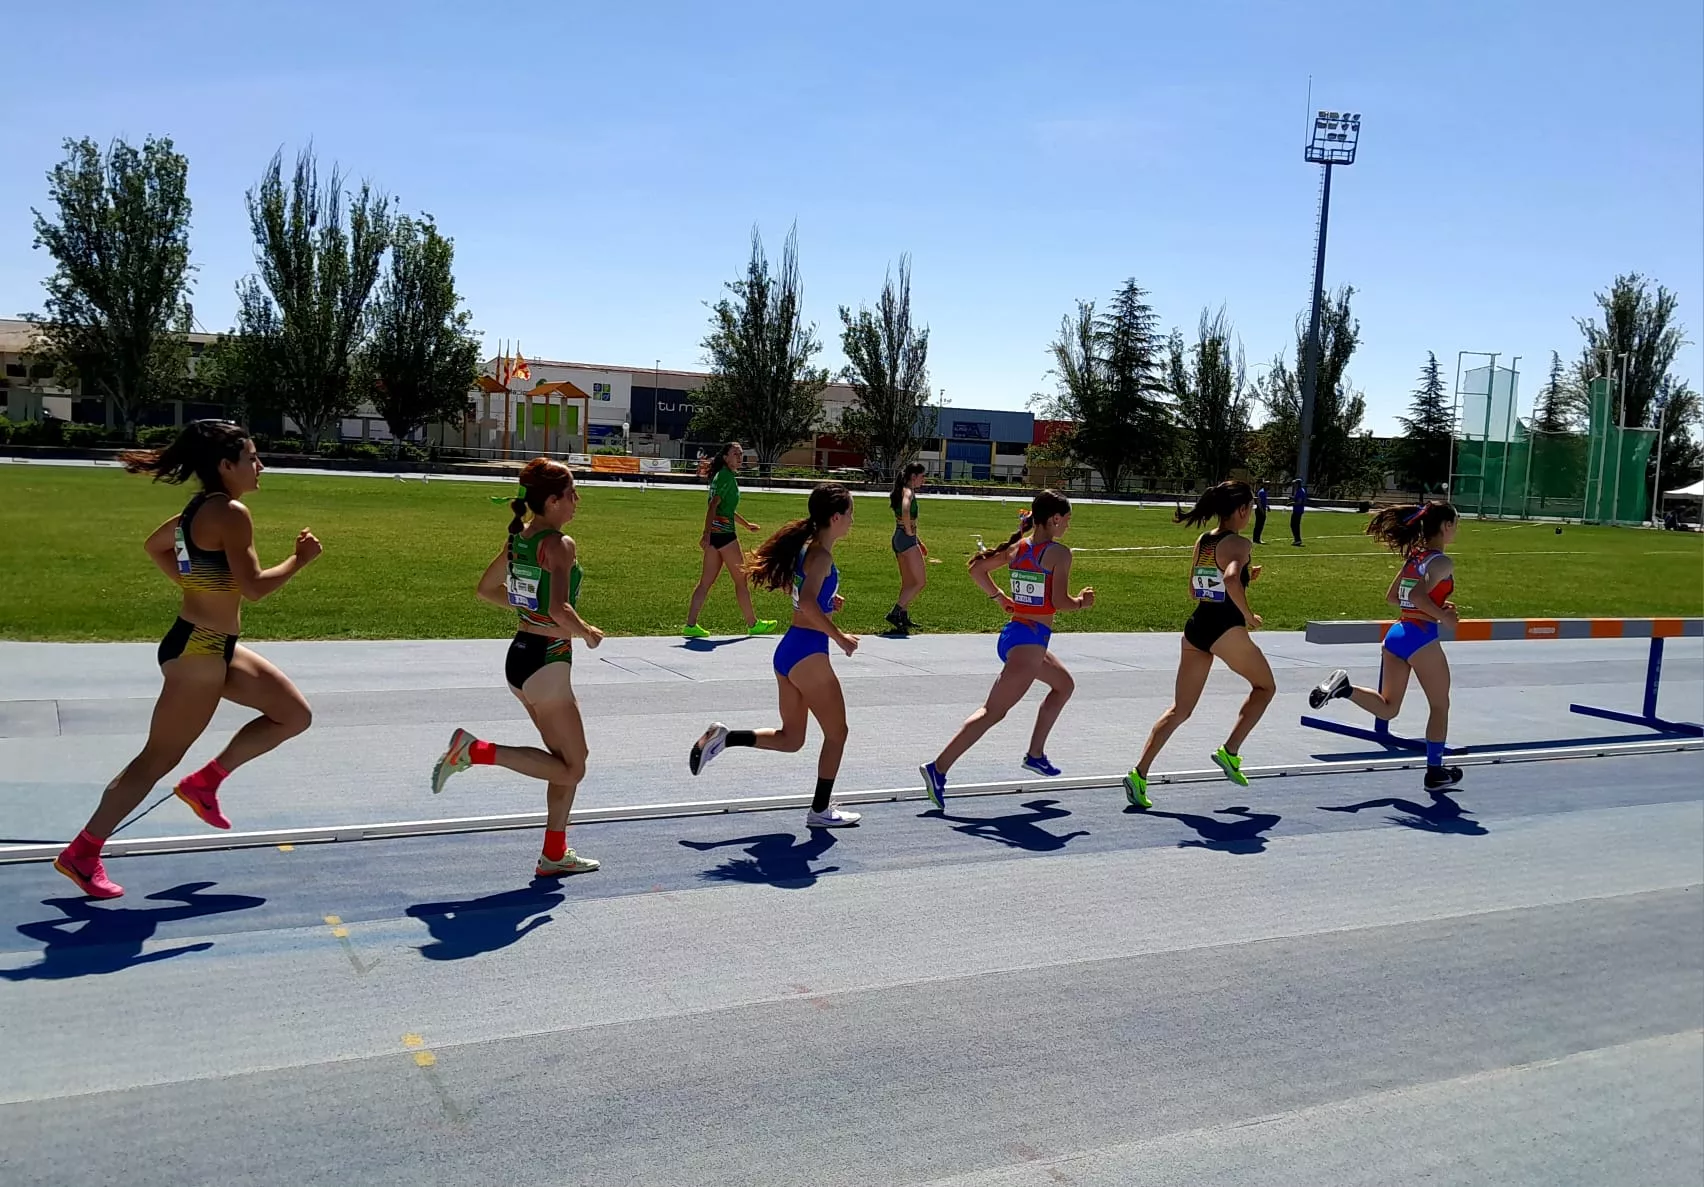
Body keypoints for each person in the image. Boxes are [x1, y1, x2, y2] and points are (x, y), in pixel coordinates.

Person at [54, 421, 320, 899]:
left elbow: (155, 546)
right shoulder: (231, 513)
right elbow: (254, 588)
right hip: (199, 652)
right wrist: (299, 560)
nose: (260, 466)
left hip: (211, 646)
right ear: (226, 465)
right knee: (155, 759)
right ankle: (82, 852)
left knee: (293, 715)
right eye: (252, 458)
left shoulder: (198, 508)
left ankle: (204, 783)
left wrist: (195, 584)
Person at [431, 458, 606, 876]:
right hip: (546, 660)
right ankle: (474, 751)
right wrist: (587, 632)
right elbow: (560, 609)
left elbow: (486, 589)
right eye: (572, 493)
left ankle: (554, 854)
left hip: (522, 657)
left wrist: (529, 609)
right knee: (573, 766)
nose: (577, 500)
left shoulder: (520, 539)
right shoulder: (560, 544)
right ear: (552, 501)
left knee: (567, 761)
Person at [689, 483, 863, 828]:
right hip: (808, 653)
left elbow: (805, 596)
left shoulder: (809, 550)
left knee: (792, 739)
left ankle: (726, 738)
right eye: (850, 514)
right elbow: (808, 603)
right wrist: (840, 637)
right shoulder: (821, 556)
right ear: (835, 517)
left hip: (790, 652)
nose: (852, 521)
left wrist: (829, 602)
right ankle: (820, 811)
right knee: (838, 733)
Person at [920, 491, 1093, 808]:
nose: (1068, 526)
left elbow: (977, 570)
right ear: (1055, 519)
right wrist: (1083, 602)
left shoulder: (1018, 548)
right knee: (993, 712)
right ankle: (938, 768)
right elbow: (1060, 602)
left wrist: (999, 598)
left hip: (1019, 637)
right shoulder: (1059, 554)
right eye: (1067, 520)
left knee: (1064, 685)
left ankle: (1035, 754)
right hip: (1028, 643)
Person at [1123, 480, 1276, 810]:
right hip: (1225, 628)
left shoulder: (1205, 539)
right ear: (1242, 510)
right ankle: (1230, 751)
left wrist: (1246, 576)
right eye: (1251, 508)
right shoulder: (1240, 543)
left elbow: (1196, 589)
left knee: (1180, 709)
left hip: (1197, 628)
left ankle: (1139, 773)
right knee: (1265, 687)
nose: (1251, 513)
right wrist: (1248, 614)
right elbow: (1230, 578)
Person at [1309, 502, 1462, 790]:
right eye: (1456, 523)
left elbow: (1394, 597)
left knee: (1388, 709)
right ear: (1445, 526)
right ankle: (1435, 772)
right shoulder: (1442, 562)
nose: (1457, 530)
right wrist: (1443, 617)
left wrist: (1436, 605)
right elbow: (1416, 597)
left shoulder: (1416, 557)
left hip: (1397, 635)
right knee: (1440, 705)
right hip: (1421, 637)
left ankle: (1345, 688)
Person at [683, 441, 778, 638]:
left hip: (716, 537)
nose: (739, 457)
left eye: (741, 454)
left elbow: (725, 509)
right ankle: (753, 624)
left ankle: (690, 625)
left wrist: (746, 525)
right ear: (725, 457)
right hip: (725, 536)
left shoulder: (721, 476)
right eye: (735, 454)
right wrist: (705, 534)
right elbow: (713, 506)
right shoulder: (726, 477)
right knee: (741, 580)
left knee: (705, 583)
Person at [886, 462, 930, 633]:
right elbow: (905, 510)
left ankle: (903, 616)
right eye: (922, 476)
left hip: (899, 538)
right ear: (913, 476)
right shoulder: (908, 492)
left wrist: (917, 540)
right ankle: (895, 612)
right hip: (906, 539)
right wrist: (910, 533)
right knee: (920, 582)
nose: (923, 480)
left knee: (908, 582)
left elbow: (904, 518)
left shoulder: (902, 490)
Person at [1290, 480, 1307, 546]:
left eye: (1294, 484)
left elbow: (1299, 502)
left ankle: (1298, 540)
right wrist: (1293, 498)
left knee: (1295, 525)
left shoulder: (1300, 491)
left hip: (1298, 511)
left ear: (1297, 484)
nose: (1293, 485)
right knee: (1294, 525)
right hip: (1297, 510)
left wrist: (1291, 503)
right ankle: (1297, 539)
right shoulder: (1299, 490)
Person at [1252, 480, 1269, 544]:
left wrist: (1267, 506)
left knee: (1260, 525)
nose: (1268, 486)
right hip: (1260, 510)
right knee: (1259, 525)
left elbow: (1264, 501)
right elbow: (1259, 502)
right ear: (1264, 485)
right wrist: (1262, 511)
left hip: (1262, 509)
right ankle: (1256, 539)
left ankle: (1257, 538)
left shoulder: (1265, 492)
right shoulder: (1262, 492)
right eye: (1267, 485)